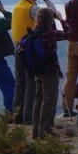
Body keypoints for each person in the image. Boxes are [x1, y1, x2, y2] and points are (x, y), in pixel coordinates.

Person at [11, 0, 59, 125]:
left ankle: (17, 115)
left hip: (19, 48)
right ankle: (29, 117)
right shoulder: (31, 8)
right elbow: (52, 14)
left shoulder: (16, 7)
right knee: (31, 83)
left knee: (20, 84)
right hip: (31, 51)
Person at [30, 8, 70, 138]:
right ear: (50, 20)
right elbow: (69, 34)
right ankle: (46, 131)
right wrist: (61, 19)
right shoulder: (49, 34)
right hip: (49, 71)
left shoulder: (35, 32)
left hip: (37, 71)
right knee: (49, 101)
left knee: (38, 99)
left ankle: (36, 131)